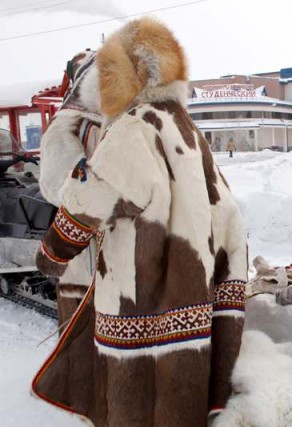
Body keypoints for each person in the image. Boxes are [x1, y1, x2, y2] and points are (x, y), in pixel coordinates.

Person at [33, 17, 248, 426]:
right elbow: (226, 208)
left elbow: (91, 197)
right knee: (179, 384)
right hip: (188, 290)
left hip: (139, 286)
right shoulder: (185, 126)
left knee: (132, 389)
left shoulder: (132, 127)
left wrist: (53, 252)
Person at [38, 49, 103, 327]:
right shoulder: (73, 125)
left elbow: (65, 191)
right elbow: (68, 189)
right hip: (94, 261)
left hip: (94, 263)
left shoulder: (68, 125)